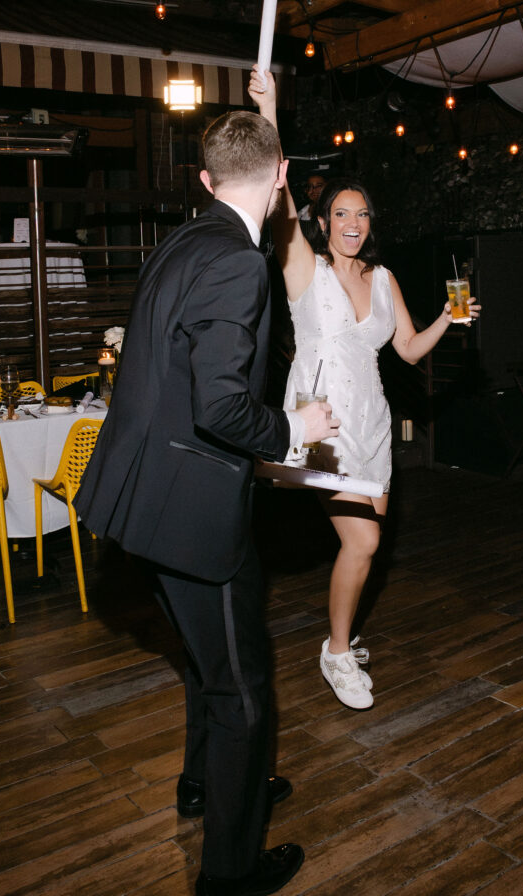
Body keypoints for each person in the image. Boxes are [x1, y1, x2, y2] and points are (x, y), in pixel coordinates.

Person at [74, 107, 338, 896]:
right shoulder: (236, 263)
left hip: (138, 500)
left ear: (204, 179)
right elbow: (219, 407)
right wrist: (295, 426)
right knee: (242, 691)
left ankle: (210, 783)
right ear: (283, 178)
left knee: (209, 661)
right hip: (189, 512)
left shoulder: (186, 239)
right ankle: (230, 872)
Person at [249, 68, 481, 712]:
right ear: (323, 224)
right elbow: (279, 199)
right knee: (366, 542)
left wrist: (449, 319)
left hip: (372, 424)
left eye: (362, 214)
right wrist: (270, 111)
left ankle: (341, 638)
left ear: (370, 224)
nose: (352, 222)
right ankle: (337, 651)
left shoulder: (384, 280)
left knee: (363, 550)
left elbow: (405, 348)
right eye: (340, 213)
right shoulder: (304, 268)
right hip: (321, 423)